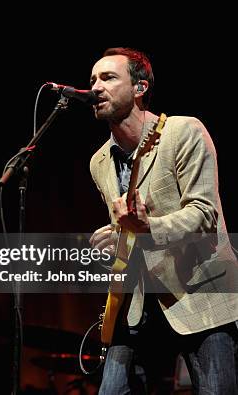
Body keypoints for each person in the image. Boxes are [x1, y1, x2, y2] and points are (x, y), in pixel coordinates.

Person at [88, 47, 238, 393]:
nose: (96, 87)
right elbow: (129, 230)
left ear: (139, 88)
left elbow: (203, 214)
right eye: (93, 79)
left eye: (108, 77)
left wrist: (147, 227)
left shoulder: (183, 131)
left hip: (201, 291)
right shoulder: (99, 162)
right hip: (140, 301)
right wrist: (116, 238)